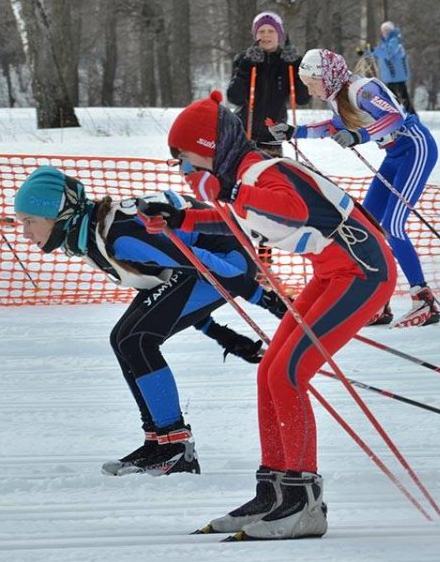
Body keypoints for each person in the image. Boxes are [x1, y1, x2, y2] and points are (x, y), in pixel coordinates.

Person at [140, 91, 397, 539]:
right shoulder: (244, 176)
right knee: (269, 373)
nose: (183, 169)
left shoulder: (261, 171)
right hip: (333, 272)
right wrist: (181, 218)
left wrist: (230, 191)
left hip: (363, 272)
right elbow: (243, 220)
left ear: (208, 149)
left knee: (289, 375)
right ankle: (274, 489)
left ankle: (303, 499)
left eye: (184, 158)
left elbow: (290, 209)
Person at [12, 165, 287, 476]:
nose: (25, 232)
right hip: (203, 266)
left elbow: (195, 261)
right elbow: (164, 284)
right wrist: (218, 332)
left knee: (137, 340)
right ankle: (159, 441)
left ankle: (175, 446)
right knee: (123, 339)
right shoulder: (95, 232)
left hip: (228, 264)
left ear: (58, 215)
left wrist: (262, 298)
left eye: (30, 221)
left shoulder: (117, 235)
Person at [273, 48, 439, 328]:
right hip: (395, 155)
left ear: (326, 76)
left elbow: (393, 118)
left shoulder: (362, 90)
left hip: (415, 147)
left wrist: (358, 135)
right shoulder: (338, 98)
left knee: (393, 225)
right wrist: (294, 132)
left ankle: (423, 300)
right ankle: (380, 303)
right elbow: (332, 127)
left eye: (311, 82)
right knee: (369, 226)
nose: (310, 90)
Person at [225, 11, 306, 156]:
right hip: (244, 136)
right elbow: (234, 97)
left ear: (279, 35)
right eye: (261, 31)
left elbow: (303, 98)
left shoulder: (288, 62)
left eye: (271, 31)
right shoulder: (244, 59)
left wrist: (297, 66)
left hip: (273, 137)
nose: (266, 35)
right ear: (255, 35)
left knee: (271, 177)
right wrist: (246, 65)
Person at [360, 21, 414, 114]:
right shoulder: (385, 42)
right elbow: (378, 54)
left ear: (391, 30)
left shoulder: (394, 40)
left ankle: (405, 113)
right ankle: (400, 113)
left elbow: (388, 53)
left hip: (396, 74)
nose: (385, 32)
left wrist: (374, 50)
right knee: (393, 95)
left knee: (398, 94)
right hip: (391, 75)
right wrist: (365, 52)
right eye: (383, 30)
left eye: (387, 30)